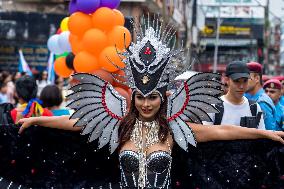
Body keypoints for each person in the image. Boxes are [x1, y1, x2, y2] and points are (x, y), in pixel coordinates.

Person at [17, 21, 284, 189]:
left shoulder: (174, 130)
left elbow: (224, 132)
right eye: (141, 97)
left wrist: (264, 133)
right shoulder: (119, 126)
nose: (146, 103)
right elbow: (77, 123)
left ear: (163, 98)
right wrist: (39, 120)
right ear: (132, 97)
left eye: (153, 97)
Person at [204, 61, 265, 129]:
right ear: (227, 80)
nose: (241, 86)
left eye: (245, 81)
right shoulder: (214, 107)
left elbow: (262, 136)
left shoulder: (254, 107)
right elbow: (206, 135)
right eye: (237, 81)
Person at [245, 62, 277, 130]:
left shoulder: (262, 102)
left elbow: (269, 132)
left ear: (256, 78)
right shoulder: (247, 96)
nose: (243, 82)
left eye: (246, 78)